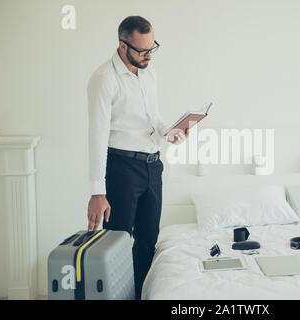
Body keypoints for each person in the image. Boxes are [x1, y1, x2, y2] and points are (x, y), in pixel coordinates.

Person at [86, 16, 188, 300]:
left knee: (147, 242)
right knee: (116, 244)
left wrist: (169, 131)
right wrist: (97, 192)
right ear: (122, 45)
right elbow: (96, 136)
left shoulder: (149, 72)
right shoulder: (103, 79)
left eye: (152, 48)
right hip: (122, 168)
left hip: (153, 166)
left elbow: (152, 117)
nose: (148, 55)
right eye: (142, 50)